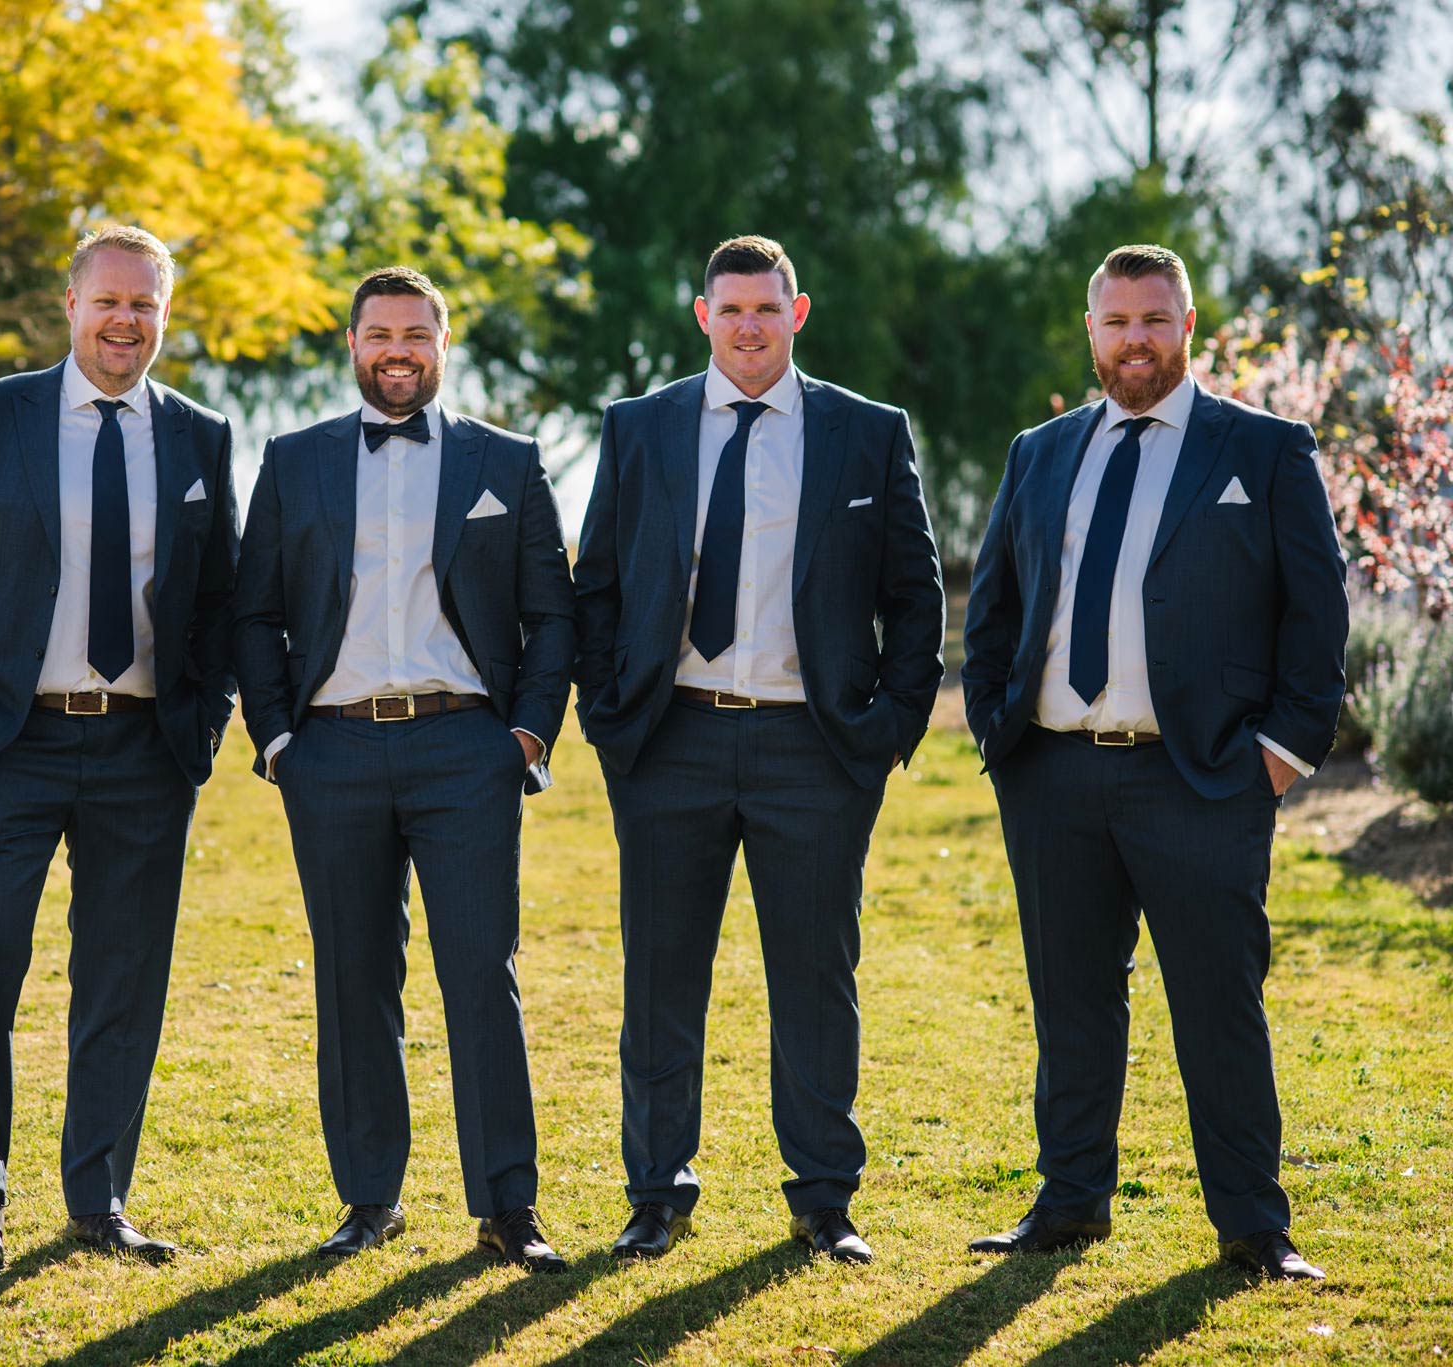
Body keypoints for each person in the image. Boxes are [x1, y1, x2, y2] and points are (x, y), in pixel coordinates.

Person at [960, 243, 1347, 1281]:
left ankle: (1253, 1227)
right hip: (1053, 774)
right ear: (1089, 333)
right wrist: (1000, 730)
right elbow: (993, 602)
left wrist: (1279, 751)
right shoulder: (1039, 451)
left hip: (1204, 777)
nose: (1134, 339)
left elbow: (1317, 619)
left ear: (1188, 325)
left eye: (1152, 318)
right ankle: (1070, 1200)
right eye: (1114, 321)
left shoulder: (1261, 450)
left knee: (1217, 1004)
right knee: (1070, 999)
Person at [572, 235, 944, 1263]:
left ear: (797, 313)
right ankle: (655, 1190)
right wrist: (610, 720)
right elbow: (594, 583)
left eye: (764, 310)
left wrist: (882, 733)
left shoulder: (865, 434)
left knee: (815, 976)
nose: (746, 326)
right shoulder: (638, 428)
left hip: (811, 746)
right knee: (659, 976)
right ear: (701, 316)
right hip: (669, 737)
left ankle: (824, 1199)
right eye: (728, 309)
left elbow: (915, 598)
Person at [0, 226, 237, 1271]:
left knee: (121, 981)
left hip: (144, 747)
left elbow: (223, 598)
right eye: (109, 302)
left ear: (163, 315)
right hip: (8, 741)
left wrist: (202, 721)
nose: (125, 320)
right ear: (71, 305)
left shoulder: (201, 435)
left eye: (145, 304)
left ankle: (98, 1196)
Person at [231, 266, 576, 1272]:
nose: (398, 349)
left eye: (416, 333)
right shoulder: (292, 460)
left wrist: (524, 735)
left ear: (441, 340)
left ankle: (507, 1205)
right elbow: (253, 611)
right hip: (328, 749)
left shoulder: (503, 461)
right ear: (350, 343)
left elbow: (549, 611)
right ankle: (367, 1196)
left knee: (481, 973)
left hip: (465, 746)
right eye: (380, 333)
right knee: (352, 978)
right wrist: (279, 739)